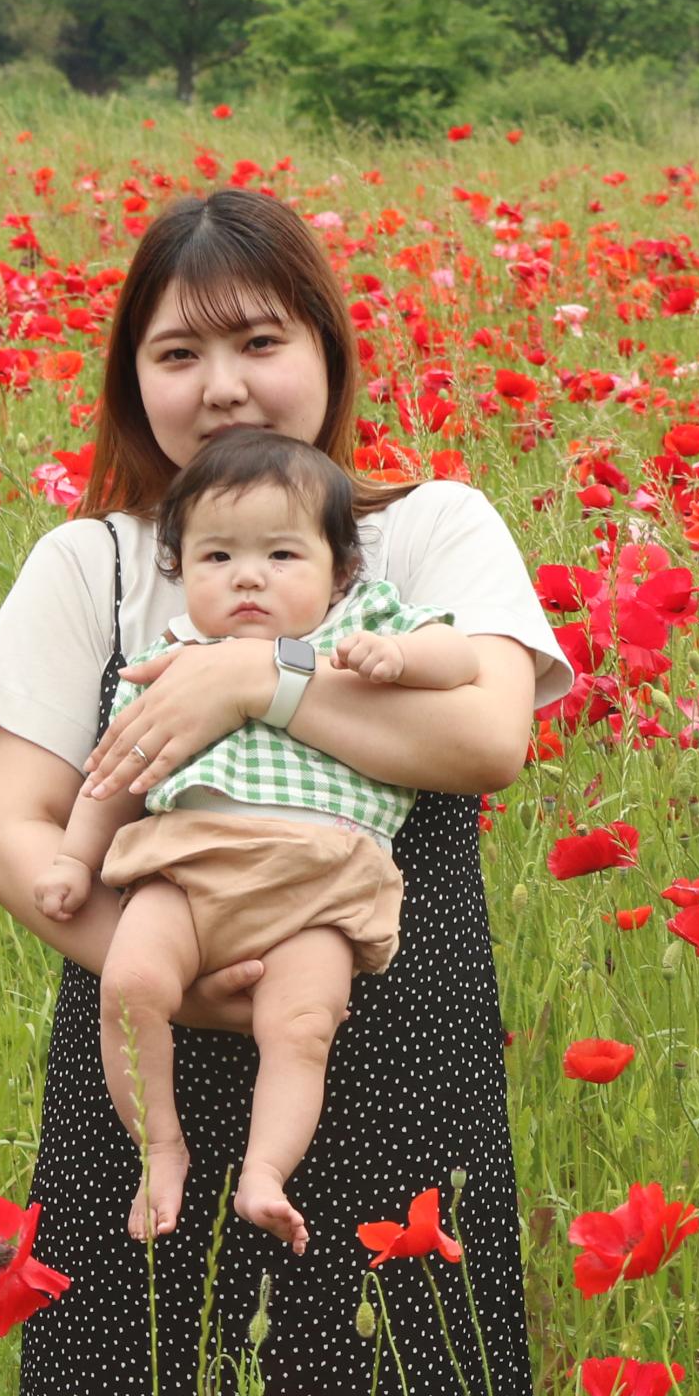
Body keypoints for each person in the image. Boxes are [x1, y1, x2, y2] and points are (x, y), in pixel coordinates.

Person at [0, 186, 568, 1396]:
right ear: (128, 378)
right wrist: (161, 964)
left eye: (257, 340)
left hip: (390, 1049)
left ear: (328, 354)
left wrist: (257, 675)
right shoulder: (87, 561)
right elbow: (6, 833)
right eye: (176, 350)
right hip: (141, 1054)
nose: (220, 383)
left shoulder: (432, 530)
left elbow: (487, 731)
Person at [33, 427, 485, 1258]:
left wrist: (400, 655)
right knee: (128, 984)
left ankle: (264, 1172)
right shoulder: (172, 654)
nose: (247, 576)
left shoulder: (362, 622)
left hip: (323, 879)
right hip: (186, 868)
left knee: (303, 1023)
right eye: (216, 558)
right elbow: (118, 768)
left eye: (281, 554)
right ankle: (160, 1146)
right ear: (180, 571)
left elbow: (461, 659)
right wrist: (71, 858)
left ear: (338, 568)